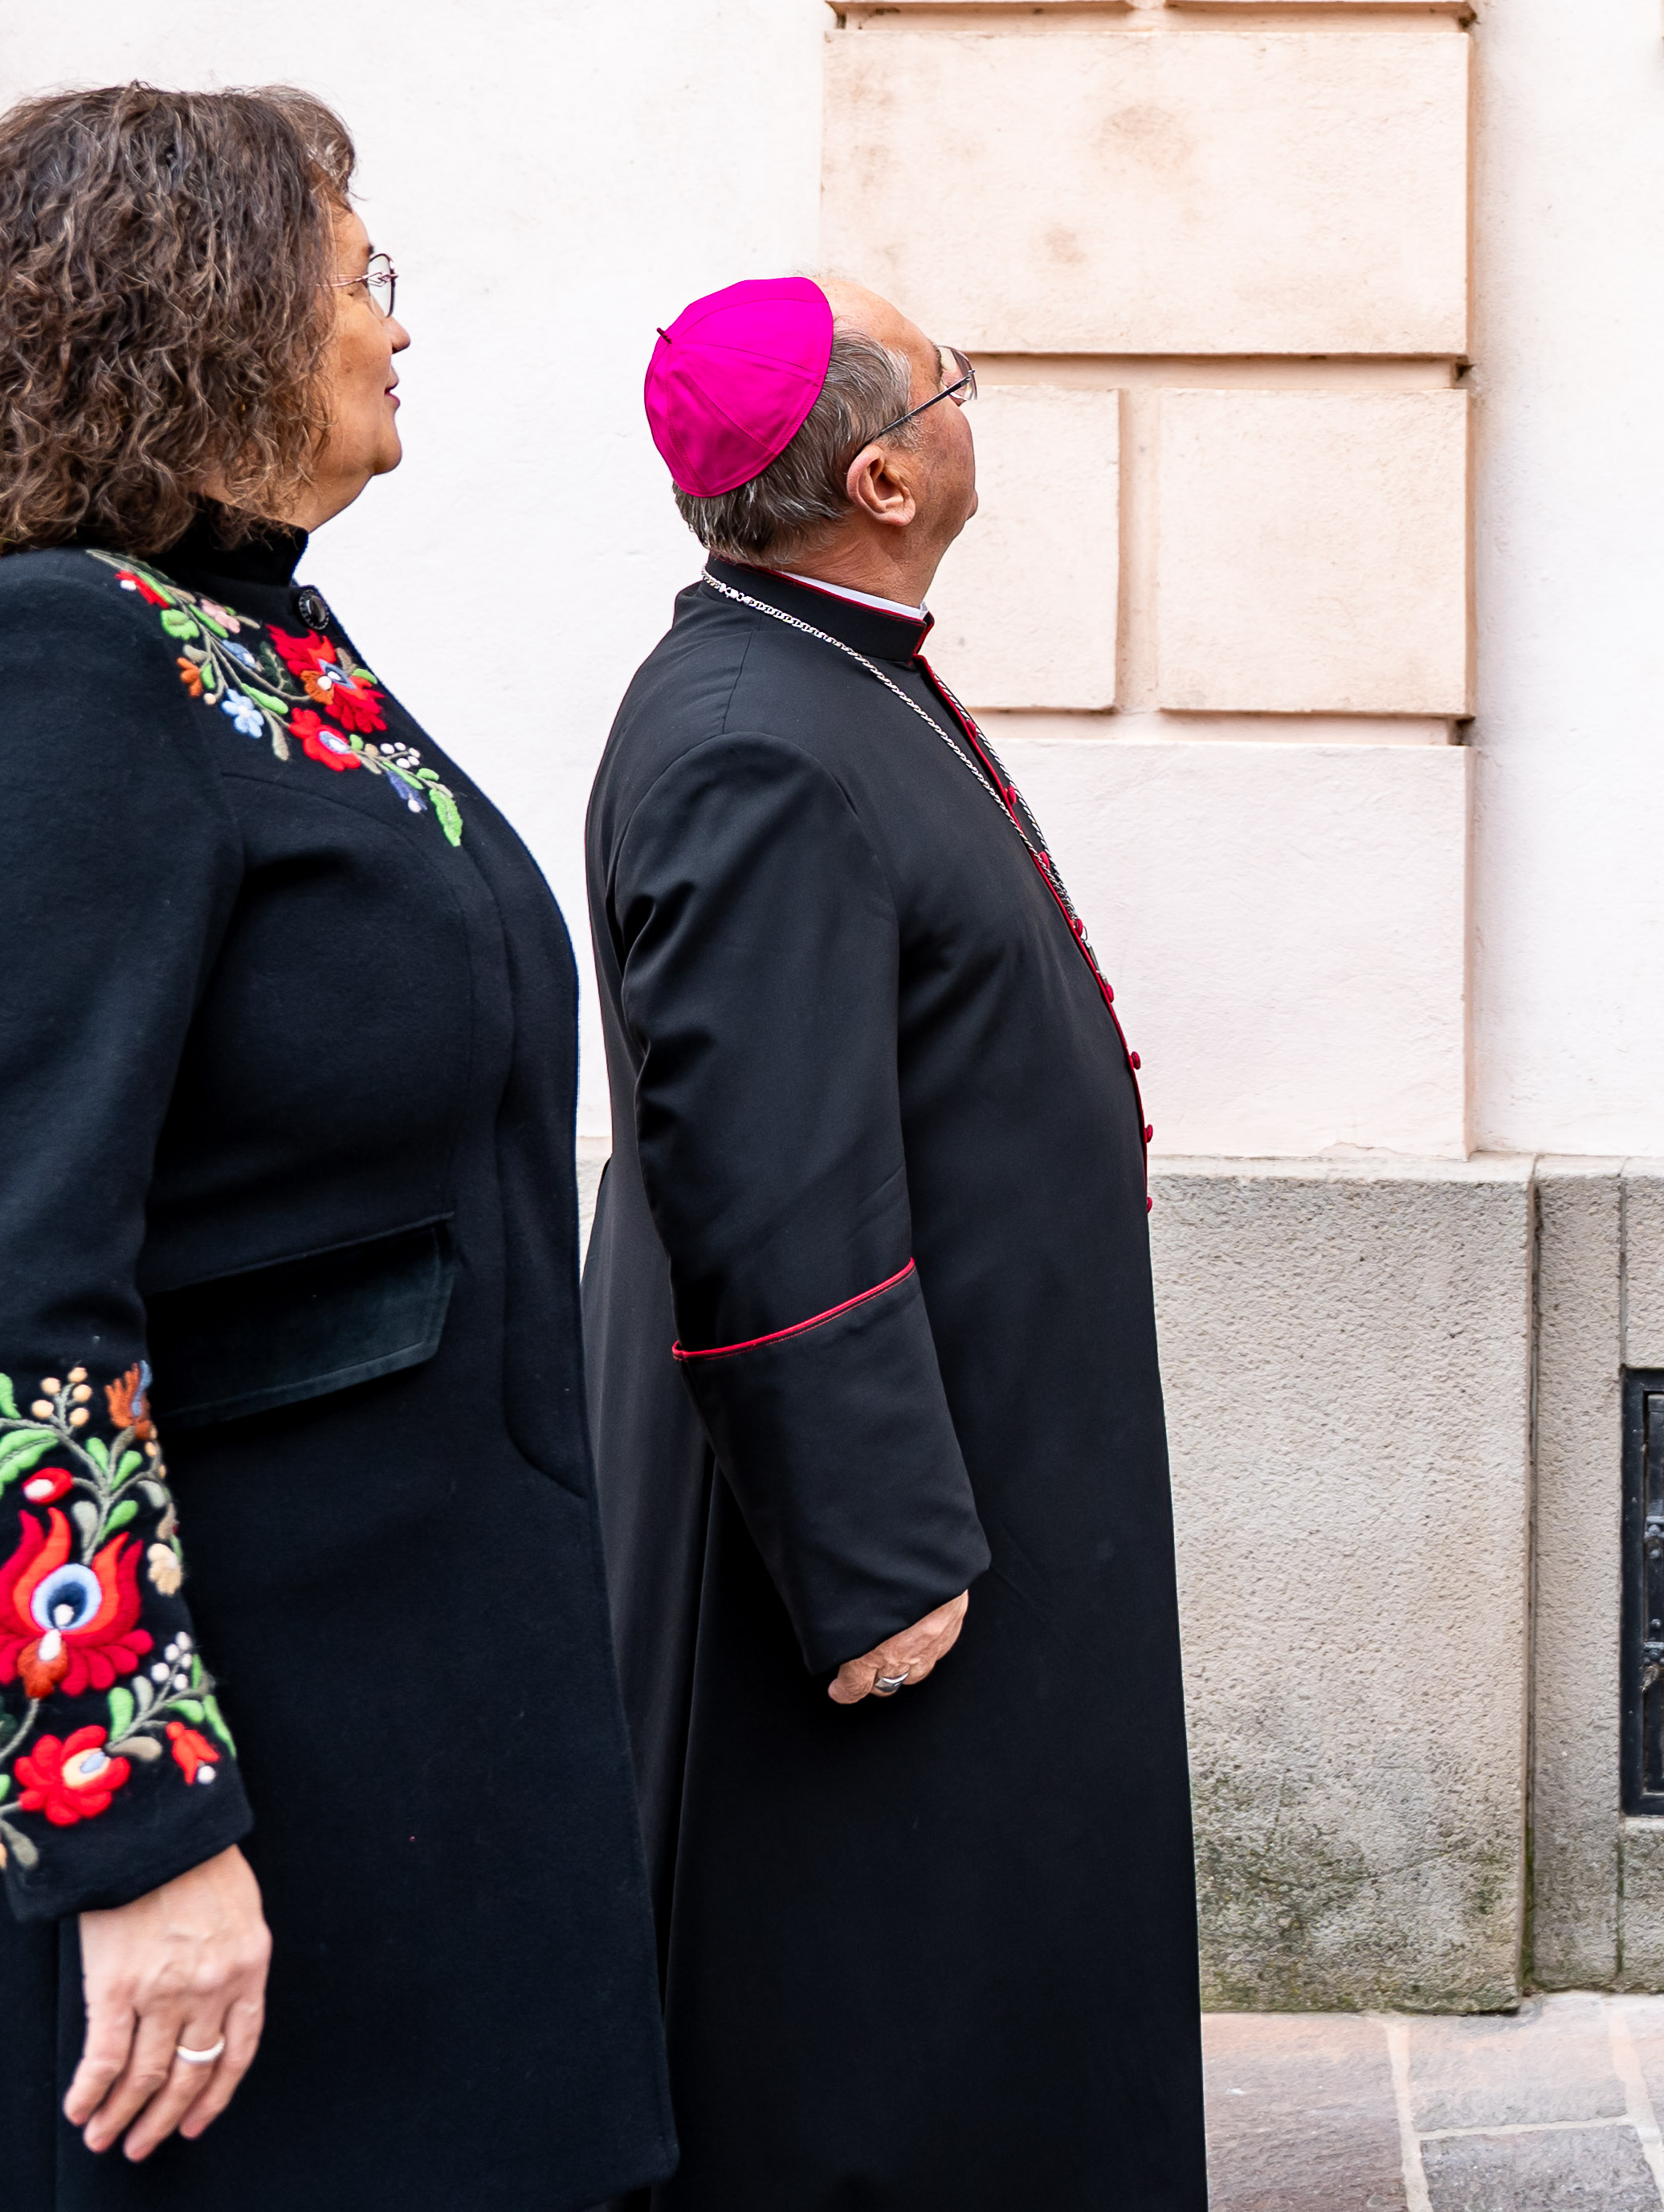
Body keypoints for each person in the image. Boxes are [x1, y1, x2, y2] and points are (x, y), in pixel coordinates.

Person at [0, 87, 674, 2209]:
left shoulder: (254, 651)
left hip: (375, 1665)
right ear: (208, 317)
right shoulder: (43, 670)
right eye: (358, 277)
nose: (393, 330)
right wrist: (129, 1828)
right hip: (193, 1713)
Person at [580, 273, 1204, 2211]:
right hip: (865, 1517)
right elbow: (763, 1170)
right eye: (952, 384)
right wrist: (868, 1556)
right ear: (882, 474)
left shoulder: (819, 665)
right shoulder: (759, 733)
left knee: (966, 1969)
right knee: (857, 2003)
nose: (969, 403)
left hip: (973, 1429)